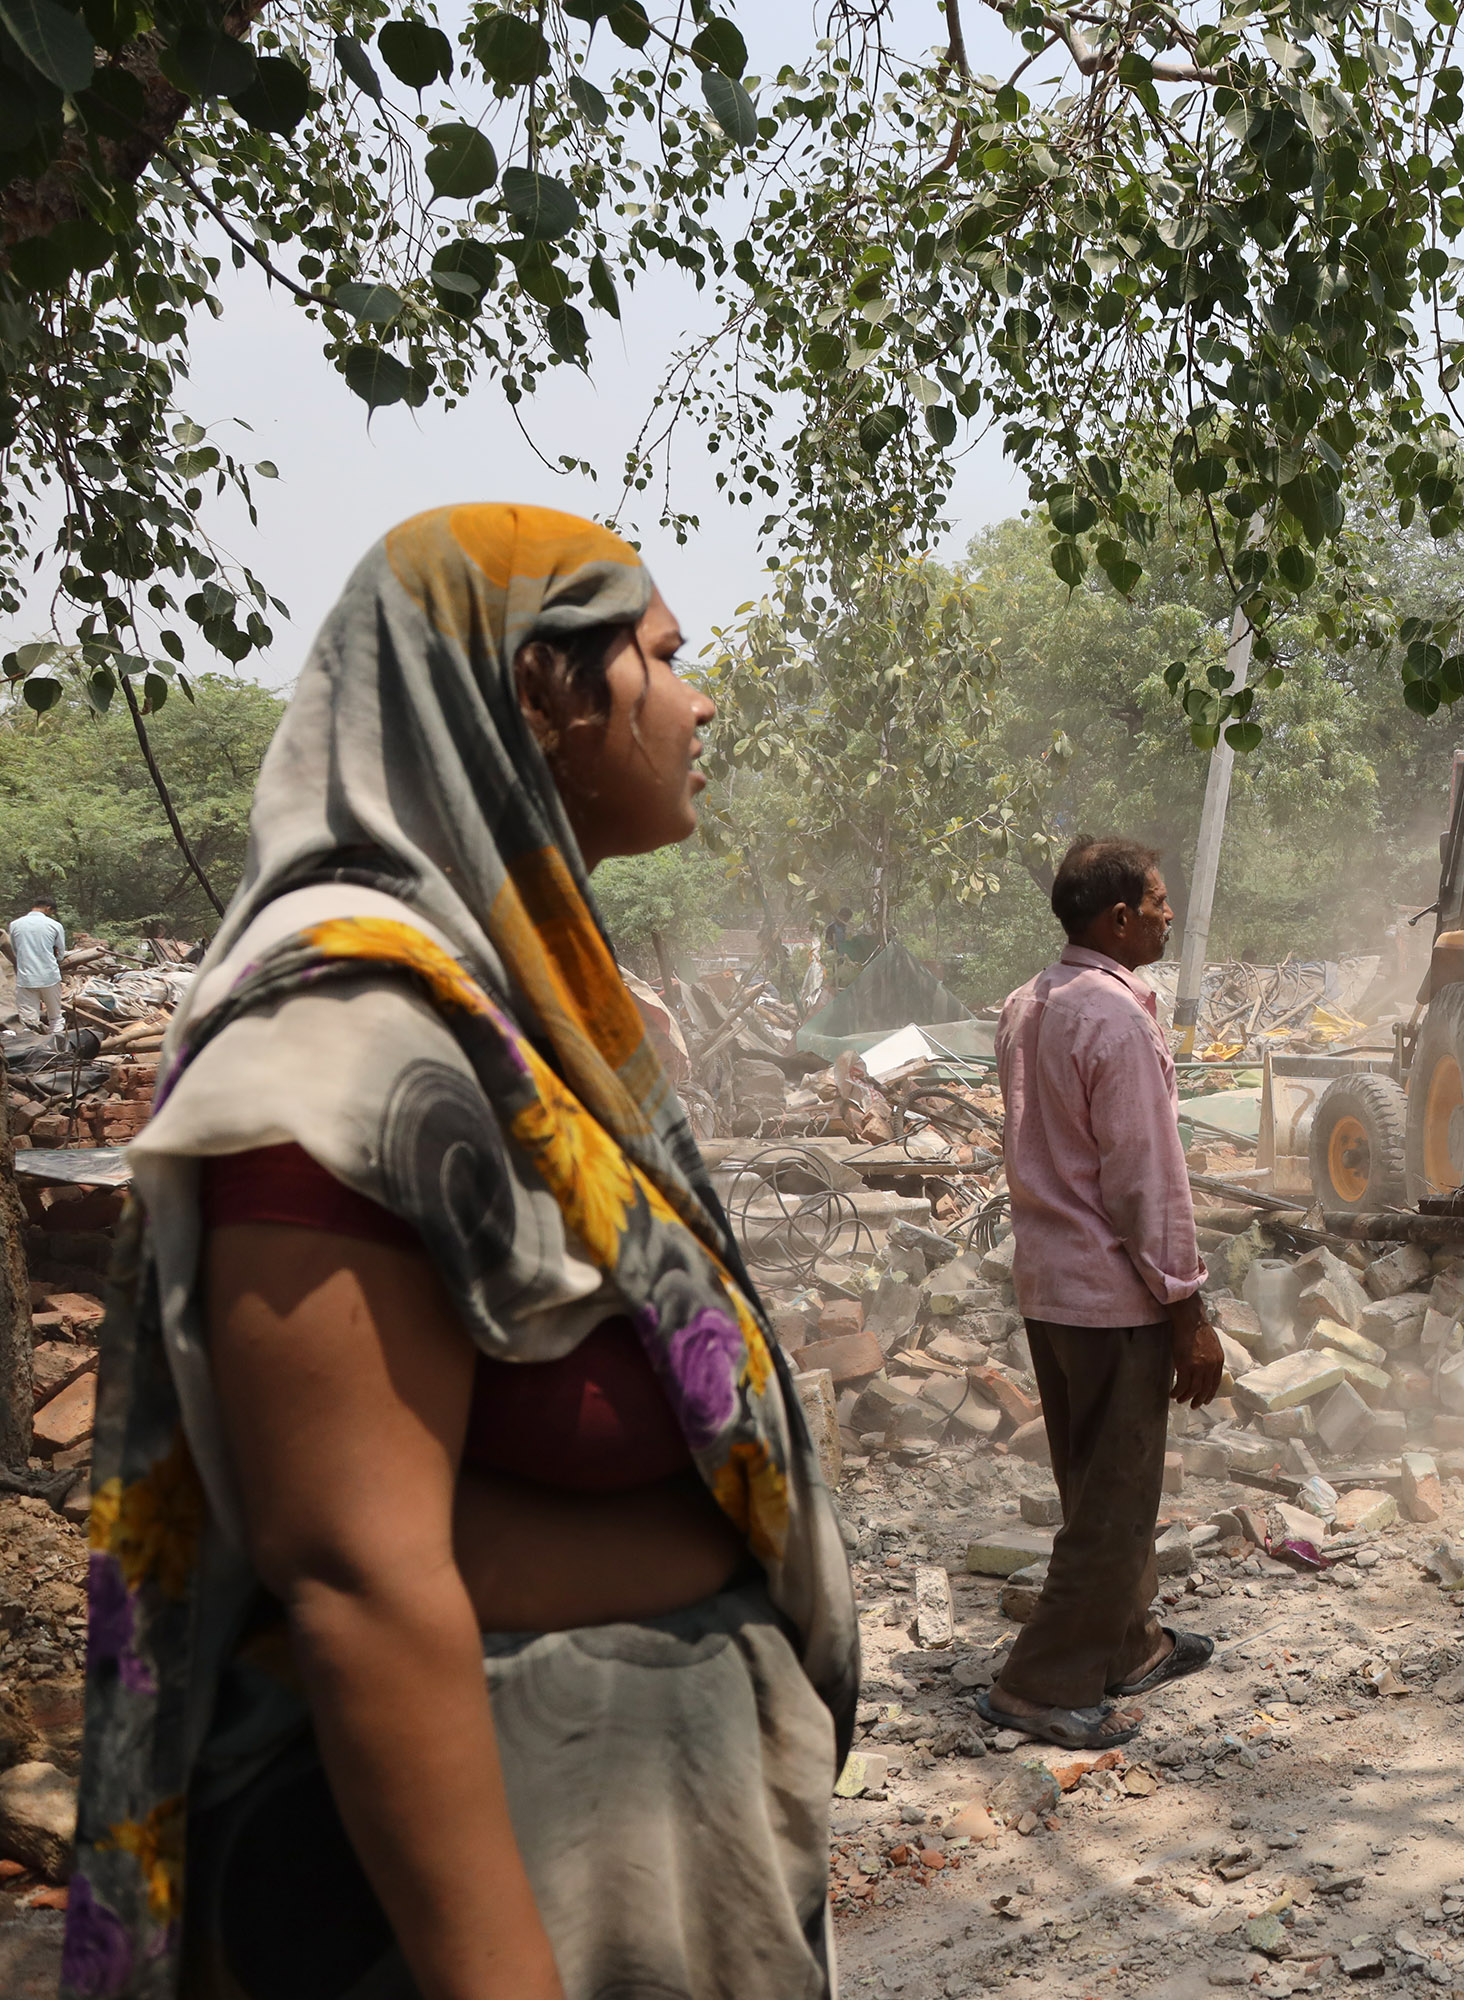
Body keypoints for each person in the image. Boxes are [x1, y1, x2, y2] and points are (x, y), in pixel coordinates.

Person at [65, 505, 857, 1999]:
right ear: (544, 697)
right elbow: (358, 1578)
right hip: (470, 1907)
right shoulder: (342, 1049)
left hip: (635, 1850)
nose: (703, 699)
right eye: (668, 655)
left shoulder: (520, 1018)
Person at [978, 838, 1224, 1750]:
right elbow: (1144, 1179)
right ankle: (1039, 1686)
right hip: (1112, 1292)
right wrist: (1188, 1309)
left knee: (1093, 1485)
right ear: (1117, 917)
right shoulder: (1115, 1019)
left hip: (1050, 1284)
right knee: (1114, 1506)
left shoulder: (1026, 1003)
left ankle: (1130, 1644)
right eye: (1158, 902)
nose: (1168, 915)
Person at [12, 894, 66, 1034]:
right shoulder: (54, 925)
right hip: (49, 977)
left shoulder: (15, 925)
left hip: (26, 978)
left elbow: (15, 951)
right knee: (55, 1017)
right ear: (48, 908)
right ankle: (57, 1047)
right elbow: (60, 953)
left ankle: (31, 1048)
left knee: (28, 1020)